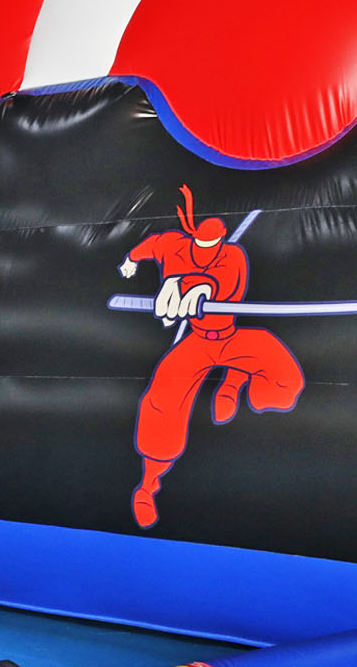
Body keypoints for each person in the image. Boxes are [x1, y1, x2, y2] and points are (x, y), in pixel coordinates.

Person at [119, 185, 304, 528]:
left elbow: (226, 281)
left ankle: (233, 383)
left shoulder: (231, 255)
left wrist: (198, 287)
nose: (207, 250)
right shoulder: (173, 245)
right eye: (201, 245)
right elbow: (151, 245)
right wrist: (131, 261)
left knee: (278, 368)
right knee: (162, 398)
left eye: (212, 245)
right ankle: (148, 485)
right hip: (198, 342)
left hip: (229, 337)